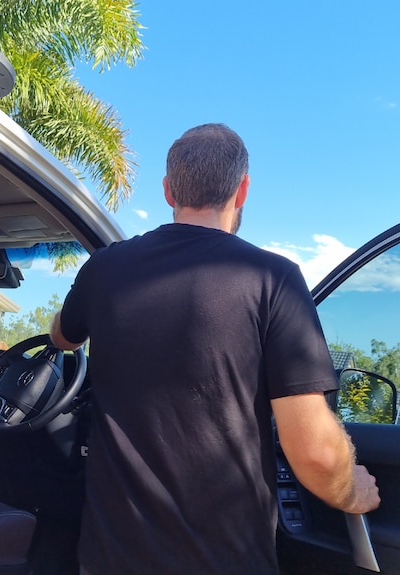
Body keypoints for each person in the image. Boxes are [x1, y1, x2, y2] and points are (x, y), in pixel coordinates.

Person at [49, 123, 380, 574]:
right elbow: (317, 453)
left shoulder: (104, 268)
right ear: (241, 190)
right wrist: (353, 490)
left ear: (168, 191)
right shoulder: (274, 279)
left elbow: (62, 338)